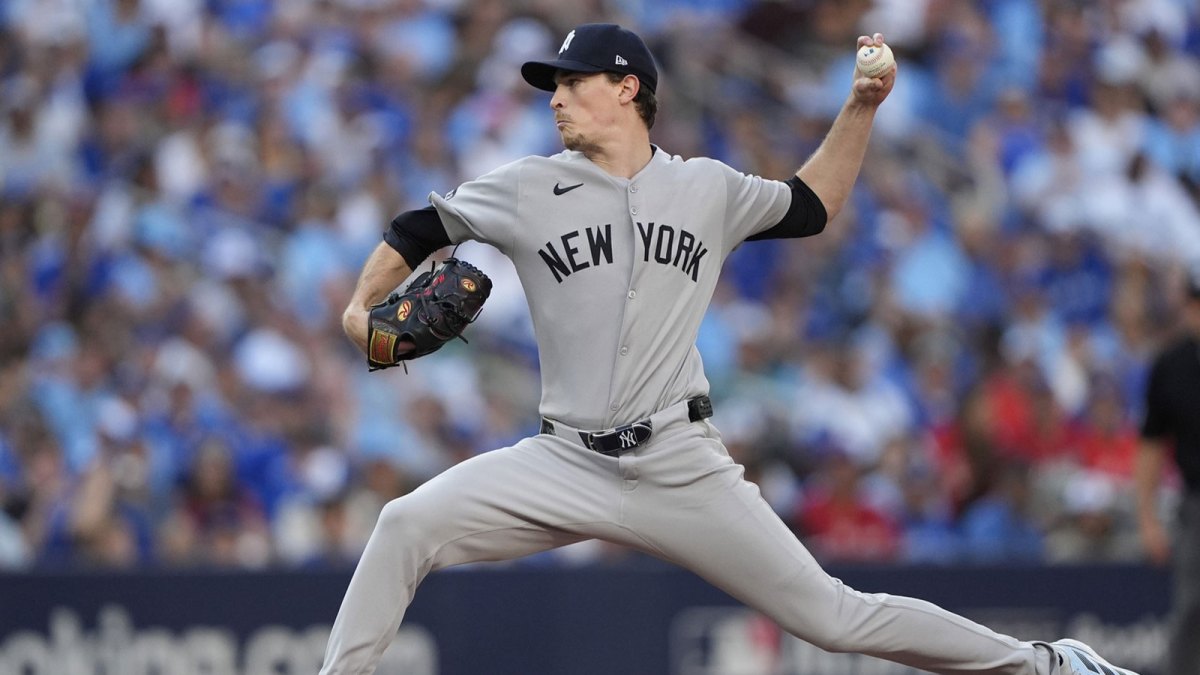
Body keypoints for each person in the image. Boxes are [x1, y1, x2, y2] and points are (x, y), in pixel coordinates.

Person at [321, 23, 1138, 675]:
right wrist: (362, 308)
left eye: (571, 82)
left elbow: (812, 205)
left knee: (833, 614)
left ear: (627, 87)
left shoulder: (708, 187)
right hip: (562, 460)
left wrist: (860, 106)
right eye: (552, 87)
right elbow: (416, 229)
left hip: (680, 460)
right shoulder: (529, 184)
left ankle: (1046, 665)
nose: (556, 99)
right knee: (403, 524)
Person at [1136, 270, 1200, 675]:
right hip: (1197, 506)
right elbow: (1150, 446)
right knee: (1192, 608)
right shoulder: (1172, 365)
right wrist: (1147, 517)